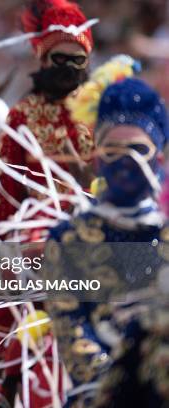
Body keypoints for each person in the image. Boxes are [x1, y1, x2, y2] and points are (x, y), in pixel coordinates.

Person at [0, 0, 96, 385]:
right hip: (35, 226)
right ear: (43, 58)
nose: (69, 69)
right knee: (10, 285)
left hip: (94, 222)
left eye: (78, 61)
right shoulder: (22, 114)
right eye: (60, 59)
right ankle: (1, 380)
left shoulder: (100, 112)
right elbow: (5, 187)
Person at [45, 77, 169, 406]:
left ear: (160, 155)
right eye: (112, 151)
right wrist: (116, 387)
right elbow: (72, 330)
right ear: (97, 156)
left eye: (139, 150)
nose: (126, 163)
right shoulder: (68, 238)